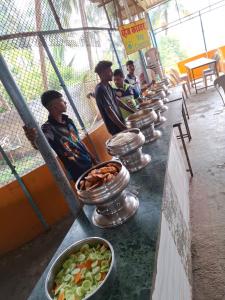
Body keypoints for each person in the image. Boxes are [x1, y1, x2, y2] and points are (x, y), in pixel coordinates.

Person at [23, 90, 95, 182]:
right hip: (78, 172)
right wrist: (32, 140)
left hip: (89, 162)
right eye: (62, 101)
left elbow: (79, 141)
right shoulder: (48, 129)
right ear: (54, 106)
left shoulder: (69, 121)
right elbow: (39, 146)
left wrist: (93, 157)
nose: (65, 102)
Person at [94, 60, 134, 135]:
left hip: (120, 123)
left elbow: (117, 101)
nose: (112, 74)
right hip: (115, 128)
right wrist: (124, 128)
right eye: (109, 71)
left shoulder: (108, 86)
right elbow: (109, 111)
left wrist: (132, 112)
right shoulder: (100, 89)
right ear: (102, 73)